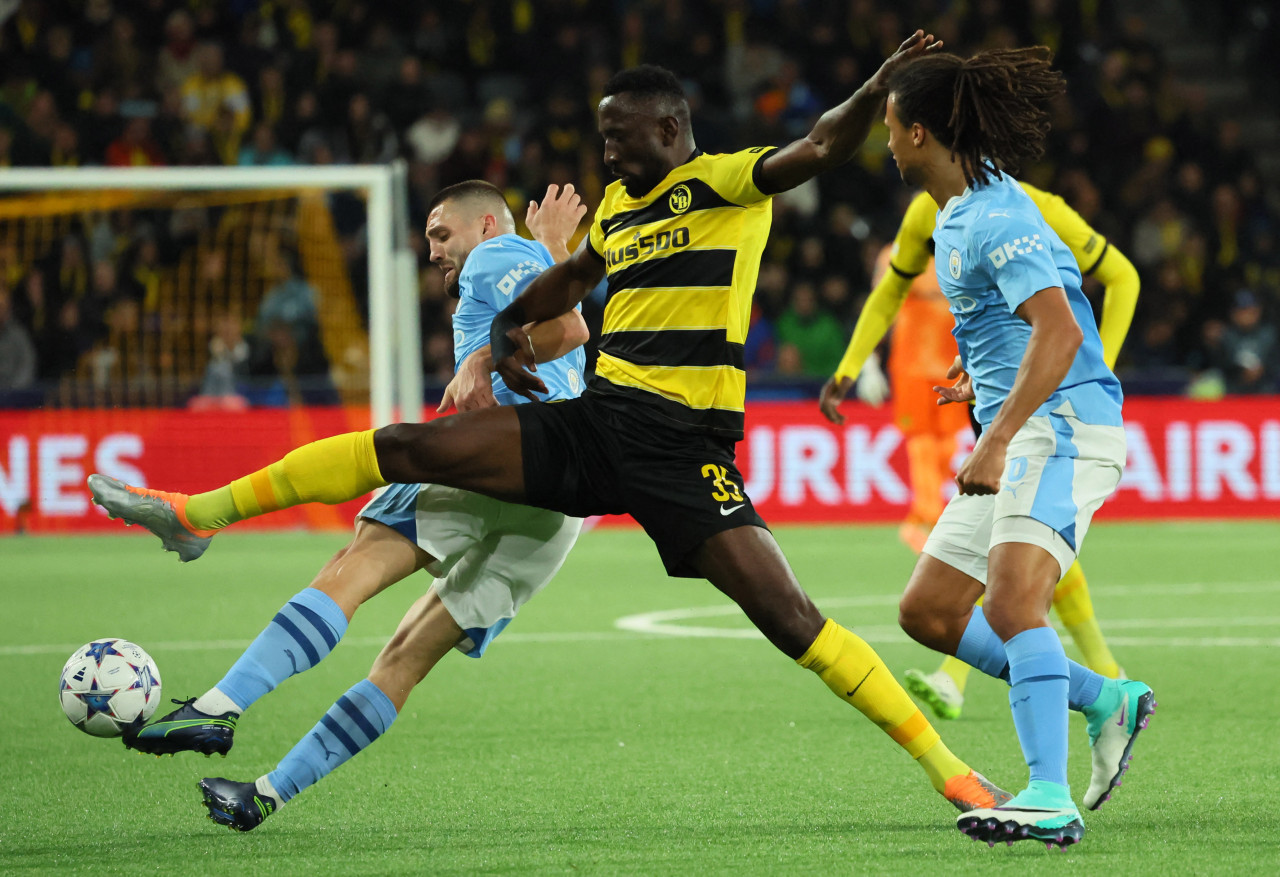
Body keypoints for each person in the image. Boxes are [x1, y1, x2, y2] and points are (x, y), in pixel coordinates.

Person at [91, 33, 1014, 825]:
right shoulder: (620, 210)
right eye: (603, 139)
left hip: (682, 452)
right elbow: (568, 287)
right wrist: (498, 335)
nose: (608, 154)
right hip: (596, 424)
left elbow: (816, 145)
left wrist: (878, 84)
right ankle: (201, 512)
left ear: (669, 130)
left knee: (792, 620)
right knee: (407, 445)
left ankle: (956, 775)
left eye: (621, 138)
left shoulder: (724, 185)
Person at [108, 182, 590, 832]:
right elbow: (567, 322)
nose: (433, 252)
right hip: (562, 503)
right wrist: (557, 247)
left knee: (357, 561)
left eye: (440, 234)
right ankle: (264, 795)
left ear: (484, 224)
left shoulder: (494, 255)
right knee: (405, 656)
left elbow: (567, 326)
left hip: (500, 454)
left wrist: (480, 355)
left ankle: (218, 695)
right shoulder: (533, 263)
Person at [879, 47, 1156, 848]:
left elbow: (1066, 328)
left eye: (892, 129)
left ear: (921, 132)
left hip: (1062, 429)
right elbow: (1034, 312)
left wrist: (995, 436)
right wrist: (986, 368)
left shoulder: (992, 214)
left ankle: (1048, 793)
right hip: (1026, 421)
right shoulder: (960, 211)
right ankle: (1106, 698)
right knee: (928, 611)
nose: (887, 144)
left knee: (1010, 604)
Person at [820, 180, 1141, 719]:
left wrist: (1091, 369)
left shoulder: (1039, 210)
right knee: (1013, 554)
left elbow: (1123, 277)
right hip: (994, 401)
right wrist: (853, 364)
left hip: (1053, 413)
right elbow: (893, 292)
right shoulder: (930, 212)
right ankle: (1105, 680)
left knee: (1010, 568)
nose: (892, 145)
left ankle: (973, 686)